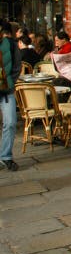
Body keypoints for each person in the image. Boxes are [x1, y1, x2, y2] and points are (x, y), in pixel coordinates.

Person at [0, 21, 22, 171]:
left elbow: (17, 65)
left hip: (7, 90)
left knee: (11, 122)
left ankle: (5, 156)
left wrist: (11, 81)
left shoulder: (11, 44)